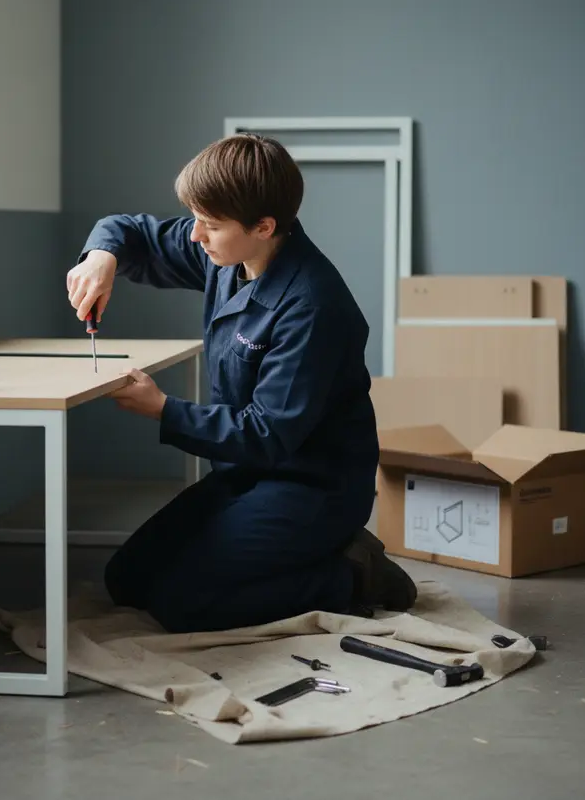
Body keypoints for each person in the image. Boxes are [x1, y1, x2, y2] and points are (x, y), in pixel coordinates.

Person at [65, 133, 416, 633]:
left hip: (311, 485)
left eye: (209, 224)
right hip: (245, 475)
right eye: (194, 218)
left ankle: (352, 576)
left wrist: (163, 408)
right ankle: (291, 555)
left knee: (181, 603)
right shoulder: (228, 256)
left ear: (264, 226)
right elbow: (129, 232)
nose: (194, 236)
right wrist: (102, 256)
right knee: (127, 580)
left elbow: (268, 434)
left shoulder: (313, 305)